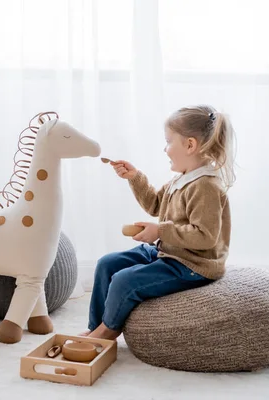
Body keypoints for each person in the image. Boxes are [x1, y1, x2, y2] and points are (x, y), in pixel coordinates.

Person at [82, 105, 236, 340]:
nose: (165, 149)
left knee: (125, 281)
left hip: (193, 264)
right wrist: (135, 178)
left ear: (190, 145)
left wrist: (160, 231)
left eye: (168, 141)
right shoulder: (181, 179)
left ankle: (108, 330)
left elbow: (205, 236)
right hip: (168, 252)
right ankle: (96, 326)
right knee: (107, 264)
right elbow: (155, 205)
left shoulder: (206, 186)